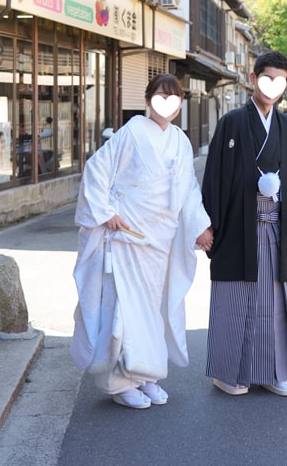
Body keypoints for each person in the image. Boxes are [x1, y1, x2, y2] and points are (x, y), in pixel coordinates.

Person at [70, 73, 213, 410]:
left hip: (159, 241)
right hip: (127, 237)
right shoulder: (130, 133)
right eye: (161, 97)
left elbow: (189, 189)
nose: (167, 104)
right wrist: (105, 212)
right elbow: (96, 170)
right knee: (124, 310)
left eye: (174, 99)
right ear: (149, 101)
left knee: (152, 311)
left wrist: (199, 227)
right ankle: (120, 383)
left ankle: (146, 375)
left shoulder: (180, 141)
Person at [201, 50, 287, 397]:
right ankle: (230, 372)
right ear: (252, 78)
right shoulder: (232, 122)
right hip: (236, 227)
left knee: (273, 303)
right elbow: (214, 175)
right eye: (267, 78)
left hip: (275, 227)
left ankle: (273, 372)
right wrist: (205, 224)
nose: (272, 86)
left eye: (279, 80)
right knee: (236, 299)